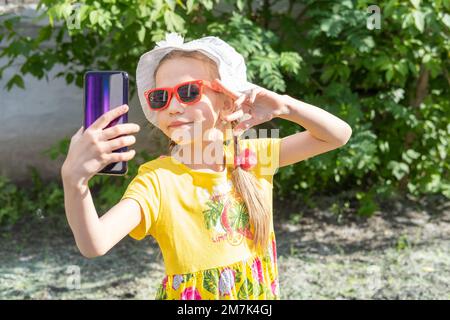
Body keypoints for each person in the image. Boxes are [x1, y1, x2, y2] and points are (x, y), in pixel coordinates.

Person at [61, 32, 352, 300]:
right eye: (161, 97)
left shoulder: (252, 157)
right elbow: (94, 243)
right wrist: (75, 181)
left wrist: (286, 106)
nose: (173, 106)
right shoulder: (158, 181)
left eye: (188, 92)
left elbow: (337, 135)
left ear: (227, 103)